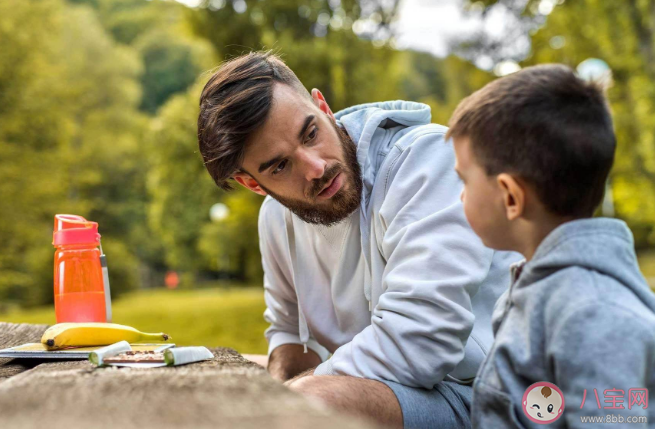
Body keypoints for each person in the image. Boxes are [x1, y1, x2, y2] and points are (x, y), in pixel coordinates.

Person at [197, 51, 519, 429]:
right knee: (221, 376)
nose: (316, 167)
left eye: (311, 133)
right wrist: (284, 379)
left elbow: (422, 342)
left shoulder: (425, 161)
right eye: (281, 166)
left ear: (324, 107)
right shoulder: (275, 219)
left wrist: (291, 396)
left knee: (309, 402)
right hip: (400, 391)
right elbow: (288, 332)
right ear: (254, 184)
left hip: (497, 397)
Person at [448, 64, 655, 427]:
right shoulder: (539, 286)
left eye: (464, 180)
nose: (460, 196)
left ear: (510, 197)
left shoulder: (592, 314)